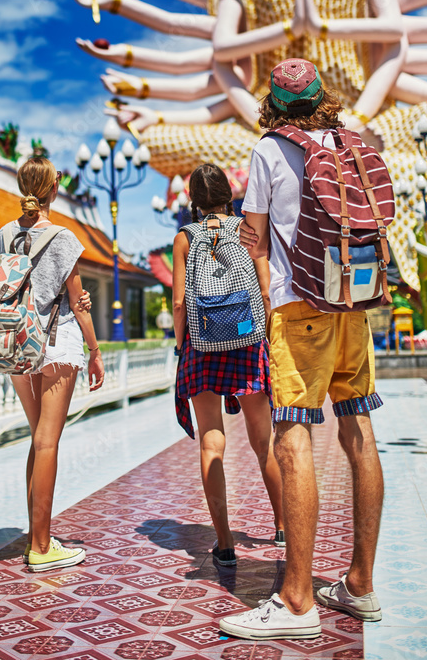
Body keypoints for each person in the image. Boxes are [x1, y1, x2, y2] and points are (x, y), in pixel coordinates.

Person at [219, 59, 384, 641]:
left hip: (299, 309)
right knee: (359, 431)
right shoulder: (350, 141)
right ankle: (359, 584)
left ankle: (296, 600)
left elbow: (254, 239)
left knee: (293, 440)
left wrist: (264, 310)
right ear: (321, 98)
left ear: (273, 104)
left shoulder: (268, 151)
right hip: (353, 301)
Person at [0, 156, 105, 572]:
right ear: (53, 188)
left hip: (17, 343)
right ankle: (41, 547)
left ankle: (35, 536)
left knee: (37, 438)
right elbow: (77, 302)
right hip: (56, 344)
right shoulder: (62, 236)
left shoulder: (6, 232)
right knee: (48, 441)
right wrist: (95, 350)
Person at [172, 163, 283, 566]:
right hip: (248, 338)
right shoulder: (247, 230)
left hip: (201, 344)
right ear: (228, 195)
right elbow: (266, 290)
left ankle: (224, 542)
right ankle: (283, 524)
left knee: (211, 440)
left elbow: (181, 302)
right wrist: (267, 336)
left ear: (194, 202)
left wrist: (182, 346)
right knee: (263, 438)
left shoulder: (185, 238)